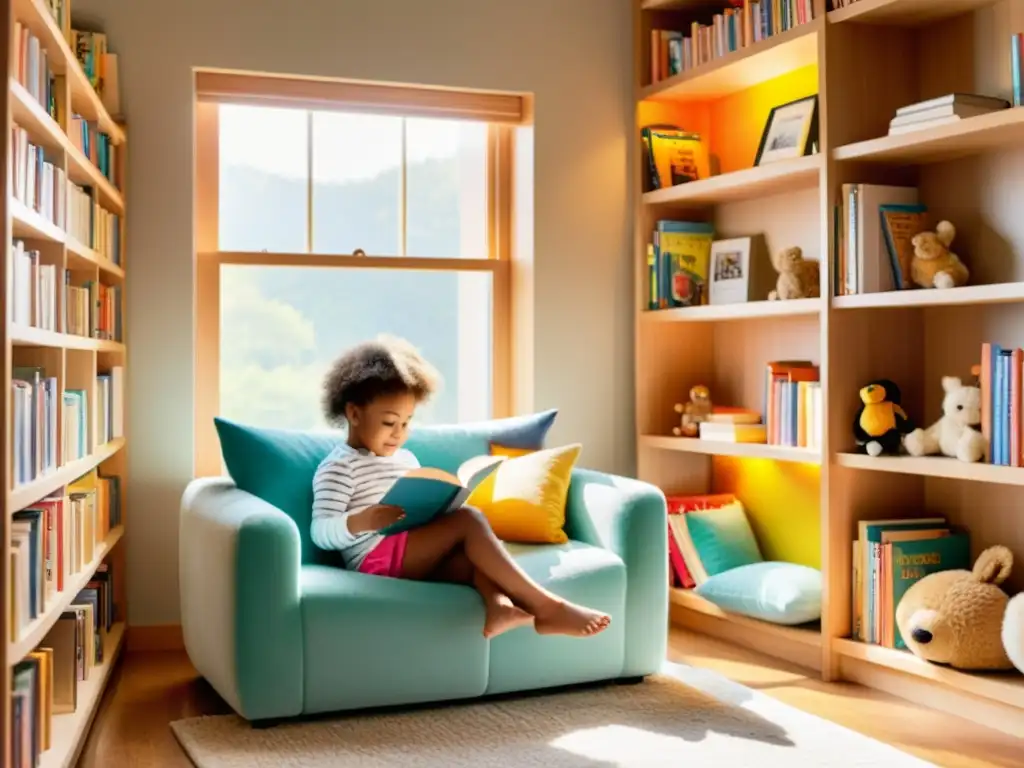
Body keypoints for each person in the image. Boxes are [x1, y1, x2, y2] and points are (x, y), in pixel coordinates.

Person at [310, 335, 611, 640]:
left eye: (406, 423)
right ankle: (548, 608)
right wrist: (363, 521)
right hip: (373, 559)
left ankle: (500, 607)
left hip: (408, 550)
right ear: (354, 413)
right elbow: (320, 531)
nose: (398, 434)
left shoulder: (405, 457)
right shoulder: (339, 467)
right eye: (389, 423)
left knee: (471, 559)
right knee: (468, 520)